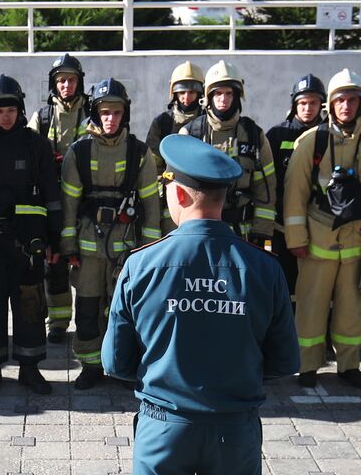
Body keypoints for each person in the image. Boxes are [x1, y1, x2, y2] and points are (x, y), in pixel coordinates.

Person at [104, 134, 298, 475]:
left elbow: (118, 362)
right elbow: (285, 361)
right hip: (235, 429)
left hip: (165, 427)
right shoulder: (262, 270)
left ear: (180, 195)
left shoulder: (142, 265)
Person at [282, 68, 361, 389]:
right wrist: (296, 239)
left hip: (358, 244)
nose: (346, 106)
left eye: (352, 100)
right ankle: (307, 367)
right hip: (317, 243)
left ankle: (349, 365)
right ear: (330, 104)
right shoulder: (312, 140)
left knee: (351, 310)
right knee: (310, 309)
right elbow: (295, 194)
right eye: (340, 100)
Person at [61, 78, 161, 388]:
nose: (110, 119)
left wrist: (149, 249)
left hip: (126, 250)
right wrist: (68, 246)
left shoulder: (141, 154)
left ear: (125, 114)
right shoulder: (78, 152)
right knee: (88, 310)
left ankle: (121, 366)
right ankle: (90, 367)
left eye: (116, 113)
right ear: (95, 113)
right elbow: (69, 205)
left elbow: (151, 206)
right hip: (88, 249)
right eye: (104, 113)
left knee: (124, 313)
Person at [0, 75, 61, 395]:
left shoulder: (37, 145)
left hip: (27, 247)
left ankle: (30, 368)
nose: (5, 116)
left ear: (20, 110)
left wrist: (54, 239)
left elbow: (52, 194)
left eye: (10, 110)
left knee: (30, 306)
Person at [178, 61, 275, 243]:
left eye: (229, 93)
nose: (223, 99)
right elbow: (179, 190)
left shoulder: (254, 135)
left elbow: (265, 187)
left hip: (243, 235)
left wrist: (261, 233)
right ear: (208, 96)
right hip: (200, 233)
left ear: (237, 96)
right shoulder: (190, 134)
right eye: (218, 93)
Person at [36, 54, 89, 342]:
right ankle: (57, 322)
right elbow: (31, 152)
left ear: (80, 82)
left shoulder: (95, 112)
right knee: (53, 262)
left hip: (86, 201)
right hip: (52, 199)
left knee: (85, 264)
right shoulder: (42, 117)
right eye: (61, 81)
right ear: (53, 84)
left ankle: (87, 319)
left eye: (71, 80)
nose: (66, 85)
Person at [266, 75, 326, 299]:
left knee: (319, 286)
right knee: (286, 283)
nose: (308, 108)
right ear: (294, 104)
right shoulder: (277, 135)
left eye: (313, 103)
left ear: (322, 105)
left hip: (321, 225)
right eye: (302, 103)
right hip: (284, 226)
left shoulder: (330, 135)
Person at [147, 61, 205, 235]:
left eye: (191, 92)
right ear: (174, 93)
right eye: (182, 92)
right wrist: (164, 191)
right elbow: (153, 163)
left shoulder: (206, 122)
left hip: (201, 197)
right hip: (169, 197)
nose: (186, 97)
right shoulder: (162, 123)